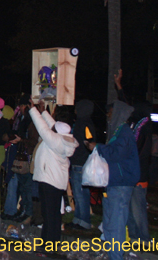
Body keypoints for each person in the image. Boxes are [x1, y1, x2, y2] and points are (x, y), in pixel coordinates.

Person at [86, 100, 138, 260]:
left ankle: (116, 256)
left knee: (116, 222)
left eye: (110, 112)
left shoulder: (124, 133)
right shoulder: (118, 131)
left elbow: (116, 154)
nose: (108, 115)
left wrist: (97, 147)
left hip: (121, 184)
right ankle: (111, 254)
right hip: (114, 182)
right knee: (110, 221)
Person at [29, 100, 78, 243]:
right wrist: (43, 111)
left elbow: (43, 128)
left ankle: (50, 243)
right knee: (51, 213)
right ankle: (48, 241)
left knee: (50, 214)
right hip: (54, 180)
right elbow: (51, 125)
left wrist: (34, 110)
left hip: (50, 181)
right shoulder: (63, 139)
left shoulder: (55, 141)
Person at [67, 99, 96, 230]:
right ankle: (78, 219)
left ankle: (84, 221)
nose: (75, 111)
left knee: (81, 193)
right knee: (78, 193)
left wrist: (79, 155)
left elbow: (89, 141)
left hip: (80, 163)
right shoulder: (81, 123)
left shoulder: (85, 124)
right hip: (77, 161)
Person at [127, 102, 153, 242]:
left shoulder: (143, 128)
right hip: (134, 173)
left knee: (138, 209)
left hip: (139, 174)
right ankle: (134, 236)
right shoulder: (139, 126)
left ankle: (143, 238)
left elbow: (140, 152)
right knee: (131, 208)